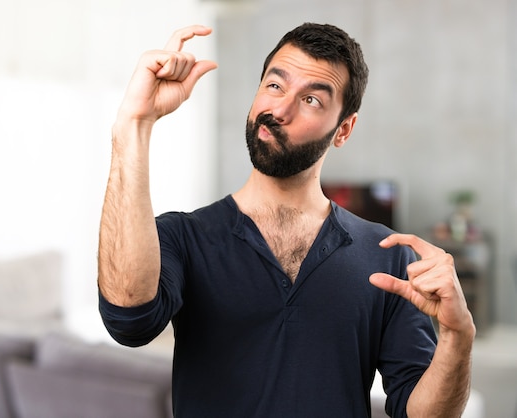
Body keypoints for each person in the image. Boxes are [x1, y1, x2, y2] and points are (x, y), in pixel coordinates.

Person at [98, 22, 475, 417]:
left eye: (311, 99)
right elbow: (129, 321)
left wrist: (457, 335)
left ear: (343, 129)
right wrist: (134, 125)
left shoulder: (389, 257)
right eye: (274, 86)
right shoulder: (182, 237)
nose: (279, 110)